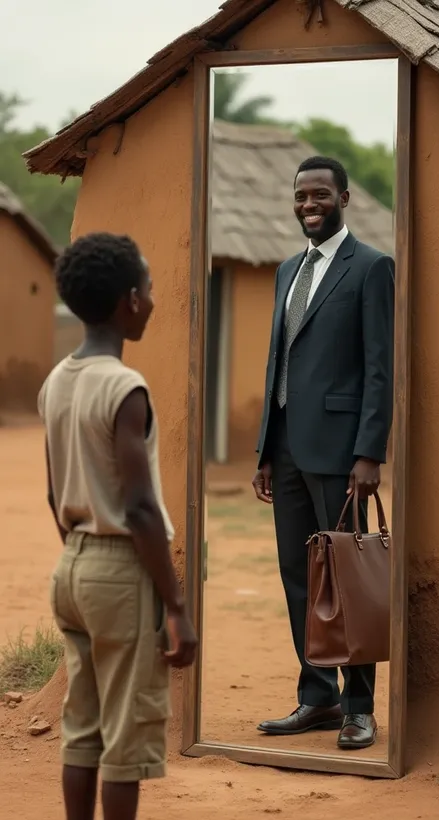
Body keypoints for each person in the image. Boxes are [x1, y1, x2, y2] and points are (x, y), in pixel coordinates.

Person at [37, 233, 197, 820]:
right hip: (119, 570)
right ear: (130, 300)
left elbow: (55, 491)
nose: (154, 300)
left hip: (72, 565)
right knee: (127, 740)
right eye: (150, 289)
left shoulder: (57, 380)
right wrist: (175, 605)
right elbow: (140, 508)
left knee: (84, 727)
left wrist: (81, 554)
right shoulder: (124, 386)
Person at [252, 156, 394, 751]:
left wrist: (369, 452)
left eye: (320, 196)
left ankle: (360, 708)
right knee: (296, 576)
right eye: (301, 197)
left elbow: (379, 368)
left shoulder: (370, 268)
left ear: (343, 198)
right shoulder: (288, 269)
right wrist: (265, 448)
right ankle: (318, 696)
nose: (309, 205)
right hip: (284, 448)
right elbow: (280, 361)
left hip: (340, 454)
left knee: (347, 577)